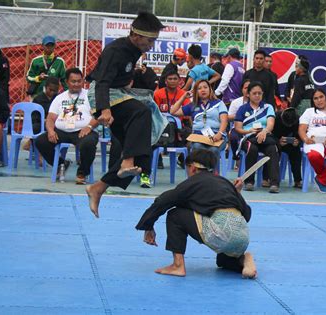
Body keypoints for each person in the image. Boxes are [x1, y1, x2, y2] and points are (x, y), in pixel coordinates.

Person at [85, 12, 167, 218]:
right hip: (102, 95)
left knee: (143, 156)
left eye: (154, 41)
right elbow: (102, 81)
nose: (151, 45)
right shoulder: (115, 50)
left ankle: (98, 187)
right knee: (141, 112)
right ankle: (127, 161)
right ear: (136, 36)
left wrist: (129, 79)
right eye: (150, 40)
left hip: (119, 93)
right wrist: (104, 109)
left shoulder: (134, 49)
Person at [135, 149, 256, 279]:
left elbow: (163, 201)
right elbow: (247, 214)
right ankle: (244, 259)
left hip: (221, 233)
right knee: (223, 262)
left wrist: (148, 225)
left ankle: (177, 266)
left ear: (192, 168)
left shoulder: (192, 183)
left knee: (175, 215)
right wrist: (237, 192)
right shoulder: (226, 183)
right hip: (242, 239)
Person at [35, 68, 99, 185]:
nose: (77, 84)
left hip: (82, 130)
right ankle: (61, 164)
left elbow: (98, 115)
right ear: (67, 82)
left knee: (89, 143)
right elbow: (50, 118)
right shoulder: (59, 98)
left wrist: (89, 126)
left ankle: (82, 172)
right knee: (40, 141)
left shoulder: (89, 95)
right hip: (62, 131)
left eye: (79, 81)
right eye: (73, 81)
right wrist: (50, 131)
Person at [234, 81, 279, 193]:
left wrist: (264, 131)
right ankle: (249, 182)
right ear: (248, 94)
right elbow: (238, 128)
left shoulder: (268, 107)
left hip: (265, 137)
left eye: (260, 93)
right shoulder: (242, 109)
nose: (257, 95)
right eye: (254, 93)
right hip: (249, 137)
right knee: (252, 149)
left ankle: (274, 183)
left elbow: (270, 123)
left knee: (273, 149)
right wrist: (249, 130)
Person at [170, 80, 228, 158]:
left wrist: (219, 133)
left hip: (217, 136)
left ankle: (211, 170)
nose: (203, 90)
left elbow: (224, 120)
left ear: (210, 89)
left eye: (205, 87)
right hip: (198, 137)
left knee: (213, 150)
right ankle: (200, 170)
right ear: (195, 92)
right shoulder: (193, 105)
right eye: (199, 88)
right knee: (197, 147)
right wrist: (183, 97)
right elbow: (173, 111)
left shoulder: (219, 103)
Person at [272, 107, 303, 188]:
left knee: (296, 152)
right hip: (275, 142)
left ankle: (297, 180)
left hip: (290, 144)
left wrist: (298, 141)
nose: (289, 126)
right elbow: (269, 134)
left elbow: (301, 133)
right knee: (272, 150)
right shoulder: (275, 118)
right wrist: (278, 142)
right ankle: (269, 178)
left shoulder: (298, 119)